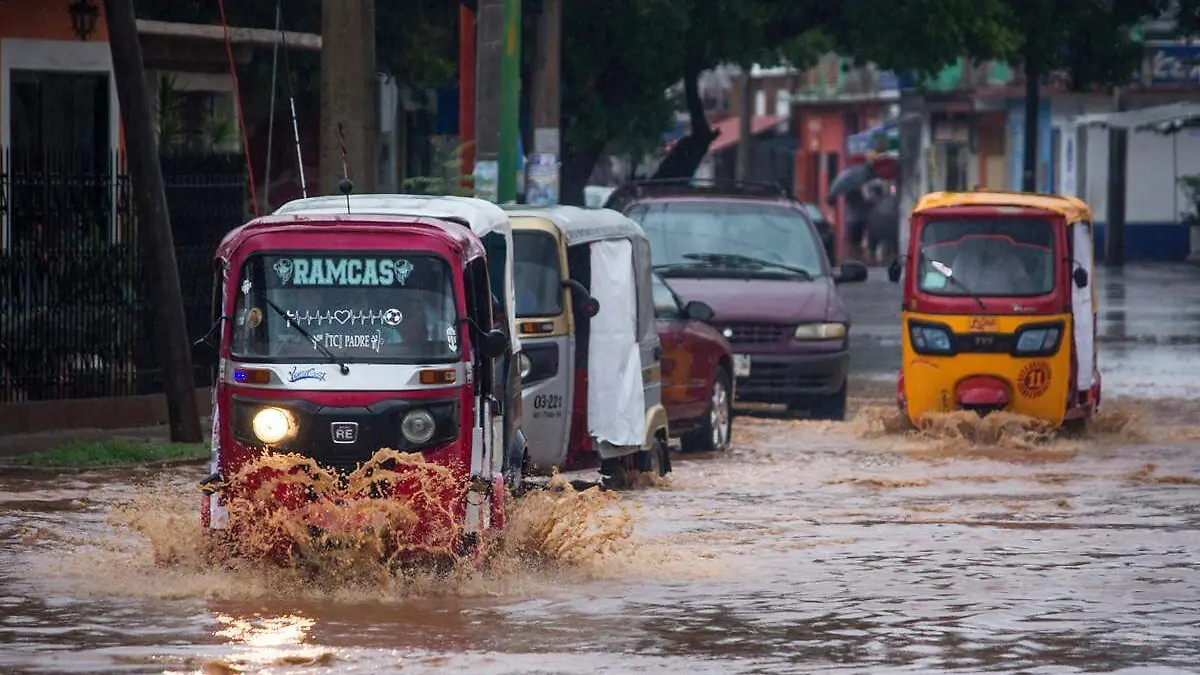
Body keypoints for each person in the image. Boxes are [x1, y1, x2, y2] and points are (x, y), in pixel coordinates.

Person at [949, 240, 1038, 295]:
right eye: (986, 240)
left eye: (994, 240)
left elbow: (1024, 288)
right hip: (966, 310)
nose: (989, 244)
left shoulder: (1011, 261)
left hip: (1005, 311)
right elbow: (952, 290)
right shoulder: (963, 259)